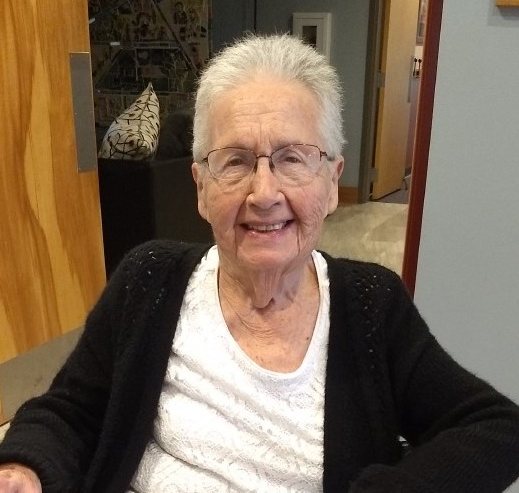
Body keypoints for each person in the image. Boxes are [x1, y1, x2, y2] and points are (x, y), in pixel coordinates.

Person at [0, 33, 519, 493]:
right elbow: (70, 410)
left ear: (331, 182)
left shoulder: (372, 305)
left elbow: (497, 427)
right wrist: (24, 468)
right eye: (236, 161)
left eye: (292, 158)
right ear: (201, 188)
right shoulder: (149, 277)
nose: (264, 193)